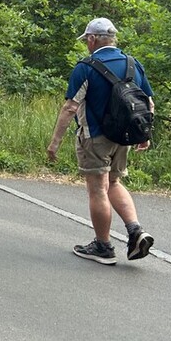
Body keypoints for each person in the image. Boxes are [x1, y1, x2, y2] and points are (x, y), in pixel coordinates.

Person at [47, 18, 155, 265]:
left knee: (97, 188)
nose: (86, 44)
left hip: (95, 137)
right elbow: (148, 102)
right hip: (125, 137)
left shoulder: (86, 67)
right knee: (114, 182)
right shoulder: (132, 64)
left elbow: (70, 107)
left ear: (93, 39)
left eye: (87, 40)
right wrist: (144, 135)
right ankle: (135, 230)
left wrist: (55, 143)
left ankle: (103, 246)